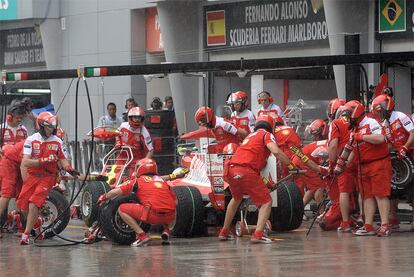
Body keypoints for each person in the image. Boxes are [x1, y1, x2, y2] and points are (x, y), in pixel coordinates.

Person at [218, 114, 298, 243]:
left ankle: (224, 231)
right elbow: (276, 151)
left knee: (236, 198)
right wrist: (291, 165)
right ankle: (258, 234)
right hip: (246, 170)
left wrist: (266, 183)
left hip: (231, 170)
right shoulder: (266, 135)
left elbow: (250, 168)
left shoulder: (249, 137)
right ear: (271, 126)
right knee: (266, 202)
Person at [16, 112, 78, 245]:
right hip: (32, 176)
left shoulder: (57, 141)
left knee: (34, 203)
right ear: (41, 126)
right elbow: (26, 162)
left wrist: (70, 169)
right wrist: (43, 160)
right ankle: (37, 223)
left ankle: (26, 235)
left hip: (48, 177)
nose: (52, 130)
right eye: (49, 127)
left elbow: (63, 160)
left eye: (53, 127)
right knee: (22, 206)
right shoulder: (31, 139)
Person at [338, 100, 391, 237]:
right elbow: (349, 148)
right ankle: (368, 225)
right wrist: (340, 163)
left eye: (348, 115)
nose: (347, 118)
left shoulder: (371, 122)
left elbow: (381, 138)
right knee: (367, 196)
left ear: (356, 112)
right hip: (363, 165)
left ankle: (385, 225)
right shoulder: (354, 128)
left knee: (380, 195)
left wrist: (361, 136)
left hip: (378, 163)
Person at [97, 158, 176, 246]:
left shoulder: (137, 182)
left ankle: (142, 236)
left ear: (140, 168)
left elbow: (116, 192)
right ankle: (167, 231)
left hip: (152, 215)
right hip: (170, 217)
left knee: (122, 209)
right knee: (168, 205)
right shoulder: (164, 182)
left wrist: (103, 197)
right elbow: (176, 202)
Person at [371, 94, 414, 231]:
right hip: (396, 157)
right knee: (392, 189)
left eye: (380, 111)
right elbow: (387, 143)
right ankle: (392, 218)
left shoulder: (401, 117)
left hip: (411, 153)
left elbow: (413, 133)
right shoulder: (384, 123)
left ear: (386, 108)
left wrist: (405, 147)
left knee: (413, 189)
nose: (379, 114)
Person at [327, 99, 358, 232]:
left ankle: (345, 222)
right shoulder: (358, 122)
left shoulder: (336, 123)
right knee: (362, 191)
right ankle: (362, 218)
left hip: (344, 161)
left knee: (344, 192)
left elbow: (333, 146)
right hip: (361, 157)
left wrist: (331, 163)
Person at [293, 119, 328, 210]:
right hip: (303, 162)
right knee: (319, 187)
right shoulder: (326, 144)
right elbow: (322, 163)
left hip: (299, 159)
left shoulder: (321, 143)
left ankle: (299, 210)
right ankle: (321, 212)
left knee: (312, 188)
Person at [116, 107, 154, 176]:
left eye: (139, 117)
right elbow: (116, 134)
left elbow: (150, 150)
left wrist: (144, 162)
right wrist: (118, 142)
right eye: (135, 117)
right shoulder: (123, 125)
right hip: (122, 155)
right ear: (130, 118)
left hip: (136, 158)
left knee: (134, 176)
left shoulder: (144, 132)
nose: (137, 120)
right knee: (115, 174)